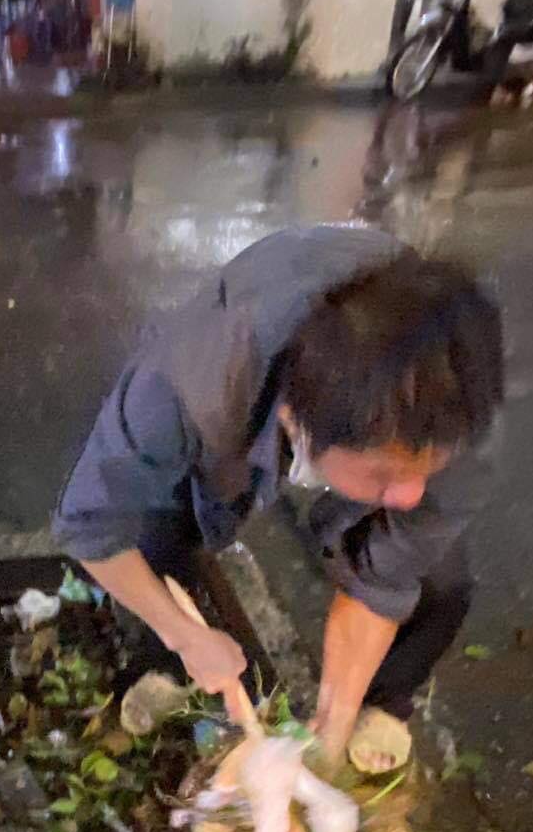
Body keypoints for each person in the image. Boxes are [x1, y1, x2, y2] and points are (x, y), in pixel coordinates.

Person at [52, 225, 503, 771]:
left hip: (355, 385)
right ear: (296, 423)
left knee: (440, 578)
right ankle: (167, 662)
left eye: (428, 466)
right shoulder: (184, 391)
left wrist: (326, 748)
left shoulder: (456, 403)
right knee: (162, 524)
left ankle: (379, 705)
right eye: (383, 474)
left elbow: (383, 580)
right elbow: (90, 524)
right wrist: (185, 634)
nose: (407, 495)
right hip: (238, 374)